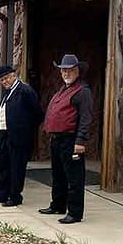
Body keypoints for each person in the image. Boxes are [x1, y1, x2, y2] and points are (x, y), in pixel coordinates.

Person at [39, 54, 94, 224]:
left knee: (74, 178)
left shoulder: (83, 91)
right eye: (64, 70)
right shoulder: (63, 90)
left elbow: (86, 118)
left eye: (70, 70)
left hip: (71, 139)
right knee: (58, 175)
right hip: (58, 139)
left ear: (77, 71)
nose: (66, 73)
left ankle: (75, 212)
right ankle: (58, 204)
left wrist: (80, 141)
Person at [0, 65, 44, 206]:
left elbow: (38, 114)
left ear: (14, 75)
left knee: (16, 168)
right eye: (2, 80)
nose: (5, 81)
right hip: (4, 136)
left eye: (7, 78)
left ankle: (15, 196)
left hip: (19, 138)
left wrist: (25, 129)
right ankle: (2, 193)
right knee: (4, 165)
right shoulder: (6, 94)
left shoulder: (25, 91)